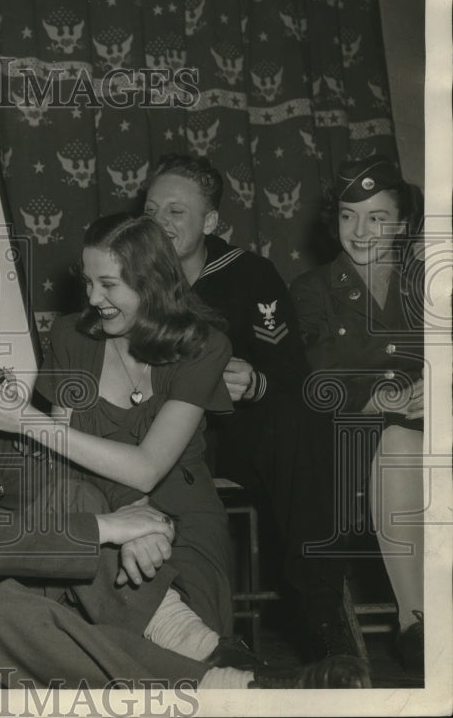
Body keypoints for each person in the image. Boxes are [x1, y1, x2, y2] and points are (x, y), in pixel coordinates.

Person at [0, 268, 368, 688]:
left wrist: (135, 520)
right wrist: (107, 529)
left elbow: (57, 489)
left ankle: (206, 649)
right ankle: (225, 687)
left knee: (71, 495)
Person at [0, 214, 236, 638]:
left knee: (199, 653)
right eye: (88, 282)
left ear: (151, 282)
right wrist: (124, 520)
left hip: (183, 512)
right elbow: (61, 463)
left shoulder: (204, 346)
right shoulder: (71, 336)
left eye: (109, 284)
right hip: (94, 501)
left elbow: (149, 468)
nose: (94, 298)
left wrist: (26, 421)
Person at [140, 155, 354, 658]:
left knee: (301, 421)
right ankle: (183, 635)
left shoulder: (248, 274)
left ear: (210, 222)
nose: (159, 224)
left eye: (176, 212)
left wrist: (255, 382)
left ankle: (322, 609)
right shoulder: (124, 272)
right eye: (151, 211)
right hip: (153, 433)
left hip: (229, 435)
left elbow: (290, 376)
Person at [290, 155, 426, 672]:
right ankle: (416, 619)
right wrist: (382, 399)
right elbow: (318, 377)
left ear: (403, 223)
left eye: (376, 217)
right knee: (396, 445)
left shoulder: (430, 282)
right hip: (365, 431)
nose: (360, 230)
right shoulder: (313, 290)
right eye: (349, 216)